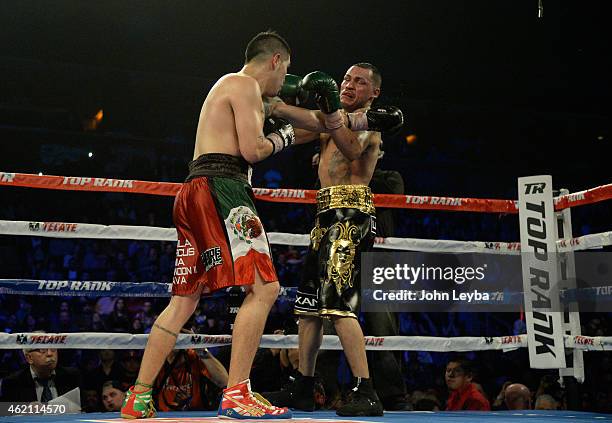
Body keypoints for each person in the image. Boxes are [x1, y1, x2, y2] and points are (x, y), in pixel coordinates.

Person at [121, 30, 358, 420]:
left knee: (183, 301)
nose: (285, 83)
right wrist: (280, 137)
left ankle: (139, 397)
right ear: (277, 62)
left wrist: (343, 118)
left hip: (194, 191)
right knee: (265, 287)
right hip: (223, 187)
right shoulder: (244, 83)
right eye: (286, 73)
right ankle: (236, 394)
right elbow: (254, 149)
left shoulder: (233, 88)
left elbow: (302, 123)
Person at [264, 63, 403, 417]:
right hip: (324, 214)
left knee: (339, 304)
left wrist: (325, 113)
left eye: (360, 81)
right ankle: (304, 386)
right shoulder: (333, 117)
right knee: (309, 308)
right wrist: (275, 107)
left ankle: (365, 389)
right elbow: (306, 124)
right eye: (345, 79)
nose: (349, 84)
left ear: (374, 92)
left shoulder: (372, 122)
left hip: (351, 216)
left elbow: (353, 150)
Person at [153, 328, 228, 411]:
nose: (177, 337)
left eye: (181, 333)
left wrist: (199, 346)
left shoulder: (195, 356)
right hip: (163, 416)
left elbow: (224, 382)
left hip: (195, 414)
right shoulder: (157, 358)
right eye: (174, 333)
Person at [0, 347, 81, 403]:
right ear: (29, 358)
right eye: (42, 350)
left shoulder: (72, 376)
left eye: (53, 349)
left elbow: (84, 409)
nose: (50, 354)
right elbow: (5, 413)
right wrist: (24, 409)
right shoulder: (12, 382)